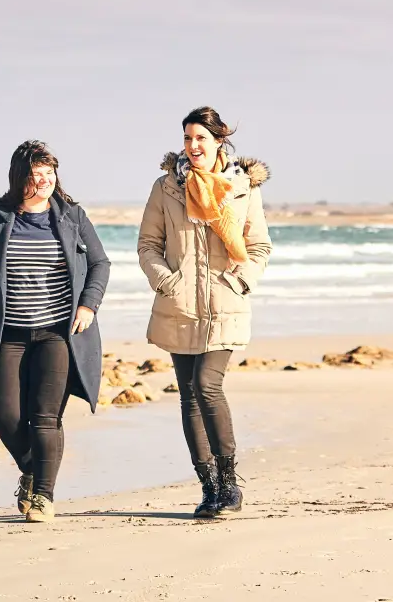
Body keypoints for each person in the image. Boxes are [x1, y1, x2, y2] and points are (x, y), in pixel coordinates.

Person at [0, 140, 112, 523]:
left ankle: (43, 496)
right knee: (5, 415)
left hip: (58, 333)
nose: (42, 182)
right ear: (18, 178)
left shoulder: (72, 215)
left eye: (48, 174)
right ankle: (33, 471)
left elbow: (100, 263)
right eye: (34, 176)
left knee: (45, 418)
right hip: (10, 333)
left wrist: (89, 304)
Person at [137, 107, 271, 518]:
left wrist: (239, 281)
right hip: (179, 305)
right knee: (189, 396)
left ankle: (230, 485)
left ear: (218, 142)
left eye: (201, 139)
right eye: (187, 139)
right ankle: (208, 487)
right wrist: (167, 281)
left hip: (225, 303)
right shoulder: (166, 188)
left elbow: (259, 246)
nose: (193, 147)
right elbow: (148, 245)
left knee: (207, 385)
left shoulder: (243, 188)